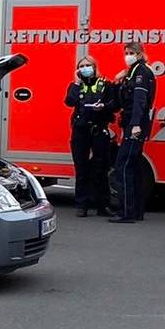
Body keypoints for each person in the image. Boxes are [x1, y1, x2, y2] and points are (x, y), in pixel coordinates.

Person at [110, 42, 156, 223]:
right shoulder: (134, 71)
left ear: (140, 54)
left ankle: (126, 213)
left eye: (132, 52)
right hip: (132, 122)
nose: (128, 55)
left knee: (123, 166)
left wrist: (136, 124)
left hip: (135, 124)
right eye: (126, 52)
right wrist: (118, 80)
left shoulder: (141, 72)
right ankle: (136, 210)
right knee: (134, 167)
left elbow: (139, 100)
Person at [64, 56, 116, 217]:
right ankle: (82, 205)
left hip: (99, 130)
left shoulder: (105, 84)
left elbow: (115, 105)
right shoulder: (76, 85)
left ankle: (103, 205)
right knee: (81, 169)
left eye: (89, 65)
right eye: (82, 66)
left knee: (101, 168)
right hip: (80, 131)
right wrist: (76, 82)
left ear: (95, 67)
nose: (86, 68)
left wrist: (104, 107)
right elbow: (69, 102)